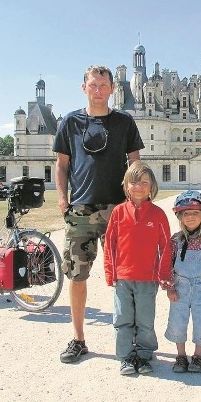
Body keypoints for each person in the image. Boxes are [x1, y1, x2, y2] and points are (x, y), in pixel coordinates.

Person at [53, 65, 144, 364]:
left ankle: (128, 340)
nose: (98, 90)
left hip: (117, 209)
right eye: (93, 85)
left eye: (103, 85)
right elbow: (62, 165)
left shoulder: (124, 122)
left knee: (124, 276)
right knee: (77, 276)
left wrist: (134, 201)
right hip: (80, 209)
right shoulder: (70, 122)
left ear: (112, 89)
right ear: (84, 88)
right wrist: (63, 201)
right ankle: (78, 338)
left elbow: (135, 163)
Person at [103, 161, 171, 375]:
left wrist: (163, 274)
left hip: (148, 279)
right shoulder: (118, 212)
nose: (138, 187)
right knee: (122, 319)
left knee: (145, 321)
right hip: (123, 278)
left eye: (144, 182)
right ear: (126, 185)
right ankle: (125, 356)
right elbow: (109, 244)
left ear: (151, 186)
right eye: (133, 182)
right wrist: (110, 273)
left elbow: (166, 246)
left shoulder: (158, 215)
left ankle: (143, 355)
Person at [165, 190, 201, 374]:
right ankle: (181, 356)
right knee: (177, 320)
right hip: (180, 288)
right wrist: (170, 287)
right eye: (186, 213)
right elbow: (168, 265)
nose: (190, 217)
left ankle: (198, 356)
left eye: (195, 213)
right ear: (180, 216)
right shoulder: (175, 240)